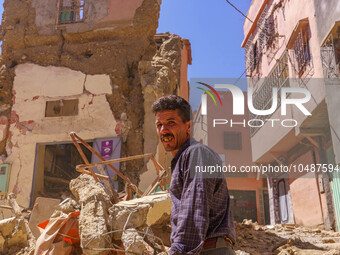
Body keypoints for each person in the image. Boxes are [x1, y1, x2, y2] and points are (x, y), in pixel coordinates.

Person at [152, 95, 236, 255]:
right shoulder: (184, 158)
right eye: (159, 125)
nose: (163, 130)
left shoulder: (196, 154)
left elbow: (193, 212)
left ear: (189, 127)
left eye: (170, 123)